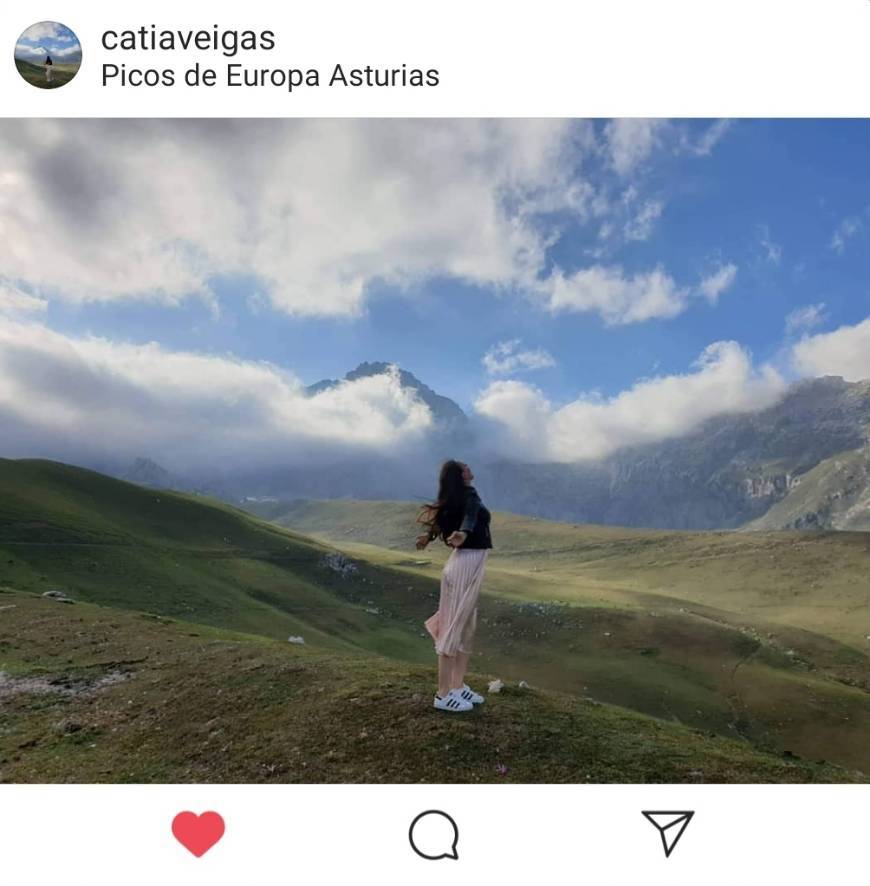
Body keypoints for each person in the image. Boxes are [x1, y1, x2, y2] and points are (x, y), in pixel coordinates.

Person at [416, 459, 492, 713]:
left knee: (466, 627)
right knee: (454, 627)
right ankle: (442, 694)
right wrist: (464, 533)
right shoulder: (468, 495)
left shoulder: (456, 498)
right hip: (464, 562)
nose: (471, 470)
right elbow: (470, 517)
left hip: (468, 562)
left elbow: (447, 518)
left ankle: (457, 687)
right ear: (459, 476)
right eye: (465, 468)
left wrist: (429, 536)